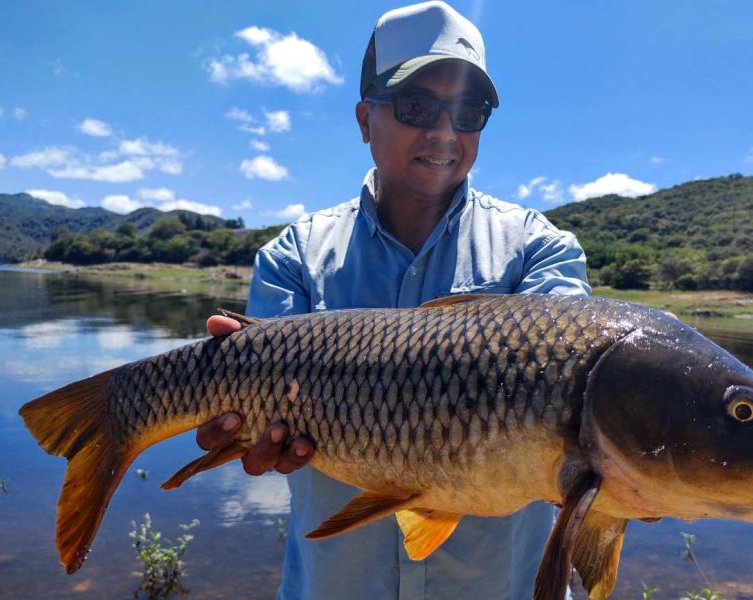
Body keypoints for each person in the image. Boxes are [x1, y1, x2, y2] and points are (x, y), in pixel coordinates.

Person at [198, 2, 591, 598]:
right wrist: (244, 432)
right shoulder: (295, 257)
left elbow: (575, 385)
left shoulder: (540, 250)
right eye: (416, 107)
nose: (443, 132)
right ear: (365, 118)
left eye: (468, 112)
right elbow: (259, 429)